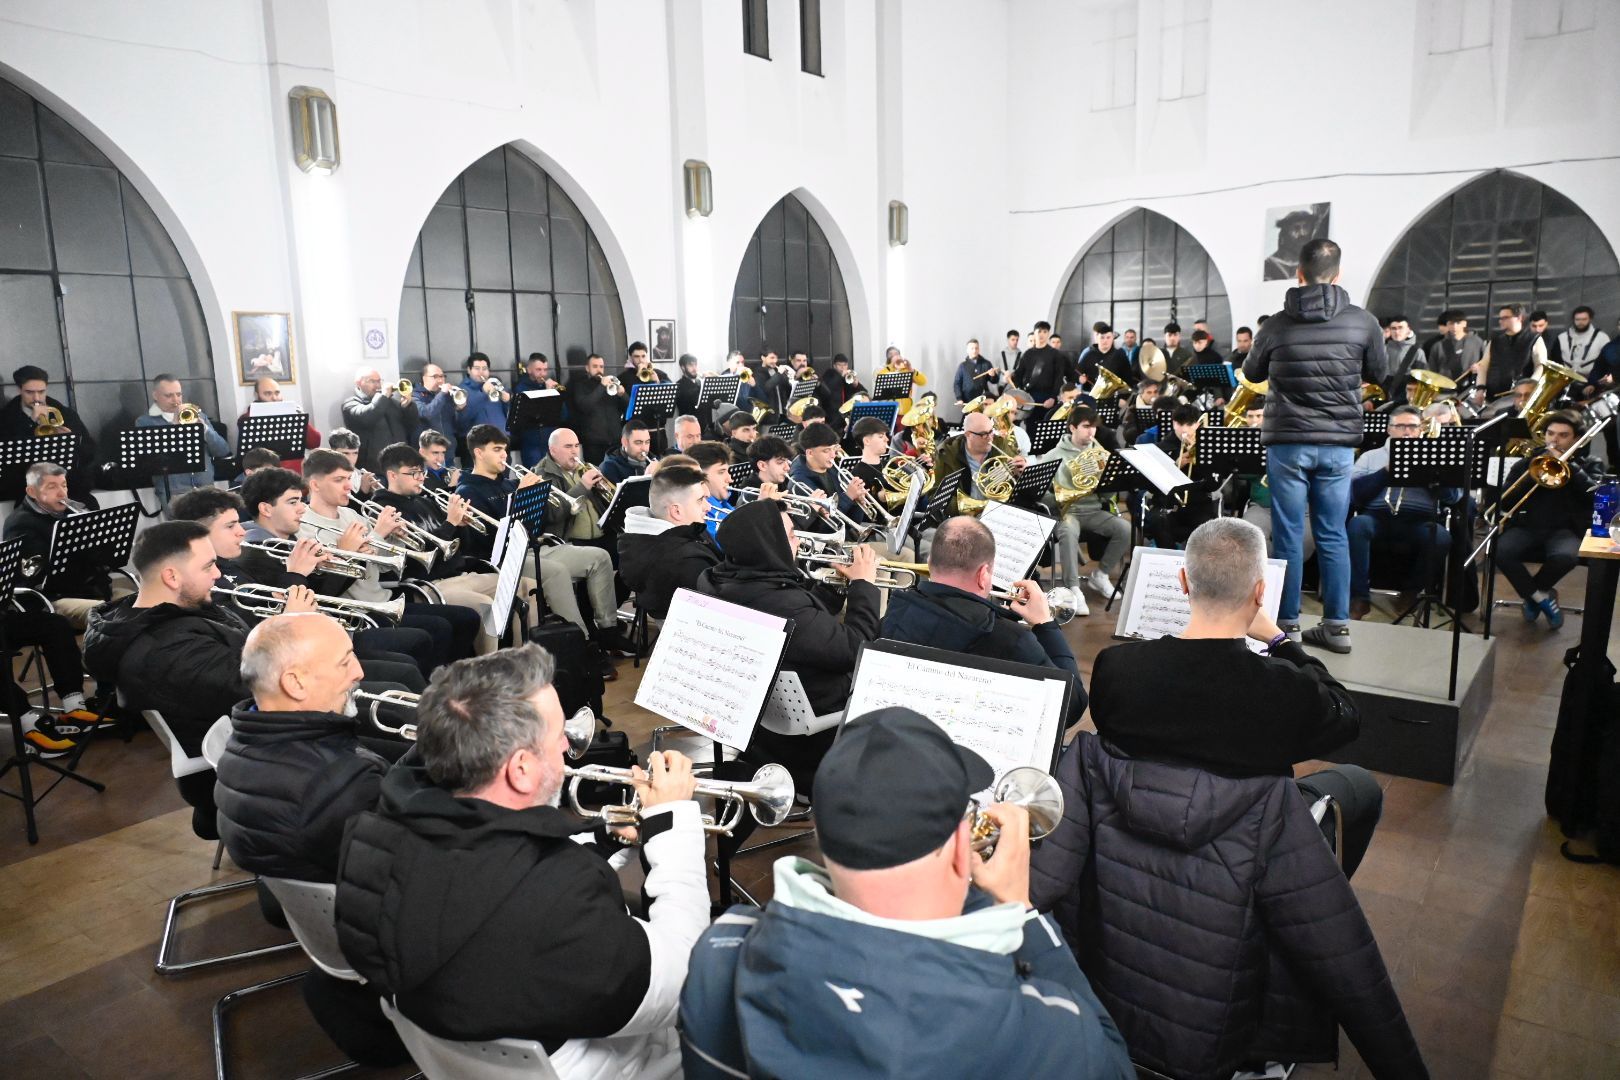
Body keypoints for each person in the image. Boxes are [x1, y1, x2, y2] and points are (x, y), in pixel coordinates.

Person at [680, 707, 1133, 1080]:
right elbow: (1111, 1058)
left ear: (820, 832)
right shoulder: (1048, 1039)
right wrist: (1022, 912)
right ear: (961, 847)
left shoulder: (714, 957)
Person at [335, 645, 707, 1080]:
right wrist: (673, 822)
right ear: (521, 770)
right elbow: (685, 979)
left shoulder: (371, 839)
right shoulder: (558, 901)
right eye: (558, 736)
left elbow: (496, 876)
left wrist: (604, 840)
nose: (568, 744)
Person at [1243, 237, 1387, 653]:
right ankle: (1337, 626)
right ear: (1338, 275)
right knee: (1333, 533)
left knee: (1288, 534)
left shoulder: (1274, 324)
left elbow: (1252, 371)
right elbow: (1381, 370)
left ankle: (1285, 628)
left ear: (1298, 274)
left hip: (1288, 441)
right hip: (1339, 443)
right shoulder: (1363, 322)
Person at [695, 501, 879, 794]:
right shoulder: (780, 603)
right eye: (791, 534)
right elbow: (856, 649)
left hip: (764, 721)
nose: (799, 540)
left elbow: (808, 625)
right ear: (769, 544)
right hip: (816, 728)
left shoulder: (723, 580)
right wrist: (864, 586)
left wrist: (834, 586)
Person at [83, 521, 250, 833]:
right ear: (171, 577)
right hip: (236, 766)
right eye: (209, 565)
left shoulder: (170, 613)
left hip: (247, 736)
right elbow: (258, 688)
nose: (218, 574)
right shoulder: (165, 649)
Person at [230, 470, 438, 682]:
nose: (302, 508)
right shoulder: (259, 550)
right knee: (409, 664)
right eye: (293, 502)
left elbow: (324, 590)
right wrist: (343, 556)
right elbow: (310, 600)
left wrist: (347, 559)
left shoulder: (291, 538)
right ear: (265, 509)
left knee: (418, 647)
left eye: (301, 501)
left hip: (332, 631)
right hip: (311, 647)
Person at [882, 517, 1088, 719]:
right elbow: (1073, 703)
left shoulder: (896, 611)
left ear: (929, 562)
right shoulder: (1012, 639)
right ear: (983, 575)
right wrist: (1046, 625)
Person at [456, 424, 624, 670]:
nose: (505, 455)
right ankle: (583, 644)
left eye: (505, 449)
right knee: (556, 572)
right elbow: (488, 540)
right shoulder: (468, 490)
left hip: (536, 546)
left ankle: (607, 629)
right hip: (505, 559)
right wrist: (522, 498)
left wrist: (533, 498)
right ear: (479, 453)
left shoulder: (508, 483)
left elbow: (537, 522)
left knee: (599, 557)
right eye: (497, 450)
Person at [298, 449, 479, 664]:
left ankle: (454, 678)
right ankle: (434, 686)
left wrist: (395, 538)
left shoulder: (351, 514)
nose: (348, 486)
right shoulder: (305, 527)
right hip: (359, 611)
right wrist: (377, 534)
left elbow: (384, 566)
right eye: (339, 480)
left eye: (349, 478)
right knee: (439, 629)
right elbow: (334, 580)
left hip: (384, 599)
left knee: (468, 618)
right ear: (315, 485)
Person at [371, 443, 500, 644]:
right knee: (486, 606)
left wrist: (461, 526)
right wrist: (450, 523)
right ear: (392, 475)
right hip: (430, 584)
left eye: (422, 472)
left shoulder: (425, 501)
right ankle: (491, 668)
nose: (421, 478)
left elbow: (459, 548)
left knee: (522, 587)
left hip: (458, 574)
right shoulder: (383, 511)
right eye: (413, 473)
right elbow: (419, 560)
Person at [1347, 405, 1464, 620]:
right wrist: (1385, 472)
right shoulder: (1370, 457)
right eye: (1400, 426)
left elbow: (1453, 497)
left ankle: (1411, 593)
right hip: (1377, 517)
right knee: (1357, 525)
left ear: (1421, 430)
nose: (1406, 432)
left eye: (1412, 426)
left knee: (1440, 536)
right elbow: (1354, 495)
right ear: (1389, 429)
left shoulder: (1435, 454)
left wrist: (1432, 473)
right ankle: (1359, 597)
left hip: (1418, 520)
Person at [1496, 411, 1602, 630]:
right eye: (1551, 434)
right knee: (1499, 551)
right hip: (1527, 526)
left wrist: (1570, 468)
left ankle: (1533, 595)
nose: (1555, 440)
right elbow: (1504, 502)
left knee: (1566, 557)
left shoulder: (1590, 463)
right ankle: (1541, 597)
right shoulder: (1527, 463)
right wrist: (1531, 473)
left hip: (1566, 530)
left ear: (1575, 439)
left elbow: (1598, 498)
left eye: (1563, 435)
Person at [5, 461, 132, 628]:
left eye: (64, 485)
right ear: (32, 491)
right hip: (52, 598)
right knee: (113, 616)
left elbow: (102, 560)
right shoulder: (21, 523)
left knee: (150, 606)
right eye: (52, 487)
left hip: (90, 590)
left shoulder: (72, 512)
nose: (61, 493)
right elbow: (34, 576)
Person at [1039, 407, 1127, 603]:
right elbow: (1041, 495)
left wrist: (1111, 483)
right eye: (1086, 426)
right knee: (1068, 532)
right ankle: (1073, 588)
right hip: (1067, 511)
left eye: (1094, 427)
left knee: (1124, 529)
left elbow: (1107, 497)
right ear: (1072, 427)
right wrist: (1059, 498)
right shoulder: (1053, 455)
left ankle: (1101, 575)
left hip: (1093, 510)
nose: (1091, 432)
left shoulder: (1100, 454)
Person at [619, 465, 721, 620]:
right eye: (701, 500)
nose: (708, 507)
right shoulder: (685, 562)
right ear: (676, 511)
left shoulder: (642, 540)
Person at [1, 364, 98, 504]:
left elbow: (90, 452)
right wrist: (30, 423)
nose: (36, 398)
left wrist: (72, 440)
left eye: (41, 392)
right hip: (30, 490)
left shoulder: (65, 413)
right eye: (29, 392)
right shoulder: (6, 418)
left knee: (90, 504)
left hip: (68, 486)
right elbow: (8, 460)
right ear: (19, 390)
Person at [138, 372, 231, 506]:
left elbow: (223, 450)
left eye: (179, 394)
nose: (176, 400)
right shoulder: (146, 422)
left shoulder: (199, 416)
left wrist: (204, 429)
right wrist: (175, 426)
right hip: (175, 492)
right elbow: (153, 461)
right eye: (169, 395)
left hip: (206, 486)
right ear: (155, 396)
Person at [1147, 403, 1222, 550]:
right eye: (1180, 424)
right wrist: (1175, 466)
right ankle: (1168, 561)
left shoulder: (1208, 448)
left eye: (1190, 424)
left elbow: (1213, 485)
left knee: (1207, 527)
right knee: (1159, 520)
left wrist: (1200, 459)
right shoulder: (1160, 448)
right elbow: (1153, 487)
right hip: (1167, 504)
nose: (1185, 429)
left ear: (1198, 424)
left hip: (1198, 505)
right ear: (1174, 423)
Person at [789, 422, 869, 528]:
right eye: (826, 451)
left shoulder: (832, 470)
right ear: (810, 453)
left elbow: (852, 523)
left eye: (833, 449)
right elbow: (824, 527)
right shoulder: (799, 483)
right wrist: (848, 497)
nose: (832, 455)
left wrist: (857, 503)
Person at [338, 369, 418, 472]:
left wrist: (408, 407)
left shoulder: (390, 402)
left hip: (400, 464)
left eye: (379, 381)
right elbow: (368, 417)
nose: (377, 385)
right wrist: (383, 396)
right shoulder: (350, 404)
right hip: (374, 467)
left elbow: (412, 426)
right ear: (358, 383)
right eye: (372, 381)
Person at [240, 377, 320, 474]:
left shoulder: (292, 413)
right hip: (265, 473)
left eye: (277, 393)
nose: (274, 398)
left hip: (294, 473)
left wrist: (300, 418)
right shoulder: (247, 418)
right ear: (257, 395)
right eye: (268, 394)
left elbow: (315, 443)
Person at [566, 353, 628, 466]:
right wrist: (601, 387)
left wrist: (623, 394)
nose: (599, 370)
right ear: (587, 368)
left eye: (601, 366)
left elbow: (628, 409)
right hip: (594, 444)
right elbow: (585, 406)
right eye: (595, 366)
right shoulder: (581, 386)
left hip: (615, 442)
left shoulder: (612, 385)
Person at [1477, 303, 1545, 401]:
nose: (1501, 321)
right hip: (1493, 397)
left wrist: (1530, 385)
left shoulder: (1534, 339)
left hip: (1520, 397)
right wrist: (1480, 388)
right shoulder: (1495, 341)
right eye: (1500, 318)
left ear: (1519, 318)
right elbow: (1483, 366)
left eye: (1505, 318)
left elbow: (1541, 365)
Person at [1011, 321, 1071, 428]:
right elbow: (1018, 375)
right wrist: (1021, 393)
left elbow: (1058, 377)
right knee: (1030, 428)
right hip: (1030, 398)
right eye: (1039, 331)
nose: (1041, 334)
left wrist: (1053, 397)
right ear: (1034, 333)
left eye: (1045, 331)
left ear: (1048, 334)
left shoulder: (1055, 354)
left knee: (1045, 429)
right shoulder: (1028, 354)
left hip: (1048, 397)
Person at [511, 352, 561, 466]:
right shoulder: (521, 388)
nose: (543, 374)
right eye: (538, 370)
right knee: (535, 477)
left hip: (550, 442)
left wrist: (556, 394)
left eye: (545, 370)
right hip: (531, 443)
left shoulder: (551, 386)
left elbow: (562, 414)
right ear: (529, 370)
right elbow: (530, 413)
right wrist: (548, 393)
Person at [454, 353, 512, 450]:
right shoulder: (461, 390)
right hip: (476, 443)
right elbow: (462, 419)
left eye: (484, 369)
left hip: (501, 439)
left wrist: (508, 401)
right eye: (477, 368)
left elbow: (509, 414)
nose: (481, 372)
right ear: (469, 370)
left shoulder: (496, 384)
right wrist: (483, 393)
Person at [685, 440, 735, 539]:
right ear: (699, 475)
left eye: (727, 471)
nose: (730, 479)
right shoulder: (702, 513)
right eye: (721, 472)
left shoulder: (723, 504)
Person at [411, 362, 465, 445]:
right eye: (435, 376)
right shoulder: (415, 396)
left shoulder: (448, 396)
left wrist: (459, 409)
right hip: (427, 448)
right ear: (424, 378)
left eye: (442, 376)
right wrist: (442, 393)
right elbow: (426, 414)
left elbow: (456, 424)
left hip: (448, 446)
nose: (440, 380)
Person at [1427, 310, 1484, 381]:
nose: (1454, 326)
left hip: (1470, 386)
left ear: (1464, 324)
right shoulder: (1438, 346)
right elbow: (1432, 371)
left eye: (1458, 323)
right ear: (1447, 325)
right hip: (1445, 388)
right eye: (1451, 323)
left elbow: (1485, 363)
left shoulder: (1477, 342)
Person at [816, 353, 864, 430]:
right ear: (834, 366)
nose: (843, 368)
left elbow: (864, 393)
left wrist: (856, 385)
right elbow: (830, 389)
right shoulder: (829, 374)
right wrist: (840, 376)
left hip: (846, 416)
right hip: (832, 417)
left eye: (845, 365)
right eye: (840, 365)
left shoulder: (848, 376)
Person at [1559, 305, 1609, 376]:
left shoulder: (1602, 337)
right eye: (1577, 319)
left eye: (1584, 319)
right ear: (1573, 320)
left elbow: (1607, 361)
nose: (1580, 322)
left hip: (1591, 380)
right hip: (1565, 379)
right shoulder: (1562, 337)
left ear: (1590, 319)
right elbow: (1556, 360)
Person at [598, 419, 653, 484]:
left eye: (647, 442)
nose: (644, 448)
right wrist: (648, 478)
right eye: (638, 442)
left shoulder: (655, 460)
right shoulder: (609, 468)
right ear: (624, 442)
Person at [952, 338, 1002, 408]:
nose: (974, 350)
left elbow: (995, 381)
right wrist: (959, 398)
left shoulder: (986, 363)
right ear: (967, 350)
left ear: (979, 349)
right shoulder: (962, 366)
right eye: (972, 348)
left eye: (976, 348)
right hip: (967, 400)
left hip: (983, 400)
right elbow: (957, 383)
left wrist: (993, 375)